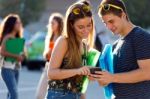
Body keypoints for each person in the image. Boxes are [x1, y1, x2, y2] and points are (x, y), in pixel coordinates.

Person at [90, 0, 150, 99]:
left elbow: (147, 72)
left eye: (111, 21)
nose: (108, 27)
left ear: (123, 15)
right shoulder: (115, 45)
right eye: (105, 23)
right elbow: (115, 79)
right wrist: (103, 79)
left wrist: (112, 77)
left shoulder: (140, 37)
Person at [46, 0, 95, 99]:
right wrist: (77, 71)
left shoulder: (85, 45)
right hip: (58, 95)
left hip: (76, 95)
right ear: (71, 25)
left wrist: (88, 76)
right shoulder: (64, 41)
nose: (86, 30)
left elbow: (80, 82)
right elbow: (51, 73)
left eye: (89, 25)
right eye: (81, 27)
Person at [36, 13, 64, 99]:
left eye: (53, 23)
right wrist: (48, 53)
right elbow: (46, 55)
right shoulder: (49, 37)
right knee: (39, 95)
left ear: (59, 24)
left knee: (54, 95)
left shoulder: (62, 38)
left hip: (58, 69)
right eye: (50, 23)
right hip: (47, 67)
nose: (50, 25)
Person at [0, 14, 25, 99]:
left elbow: (20, 53)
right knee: (14, 95)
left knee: (10, 94)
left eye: (19, 23)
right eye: (17, 23)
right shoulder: (7, 36)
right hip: (7, 69)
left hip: (16, 68)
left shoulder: (17, 37)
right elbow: (2, 52)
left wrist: (22, 55)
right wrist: (16, 56)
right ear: (11, 24)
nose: (19, 24)